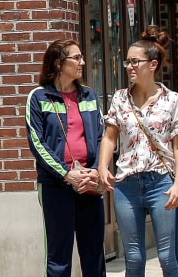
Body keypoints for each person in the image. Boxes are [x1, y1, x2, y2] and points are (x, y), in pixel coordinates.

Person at [97, 26, 178, 277]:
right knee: (134, 258)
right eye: (127, 62)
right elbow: (109, 136)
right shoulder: (120, 98)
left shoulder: (173, 100)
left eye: (135, 62)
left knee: (167, 256)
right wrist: (103, 166)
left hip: (161, 183)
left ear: (153, 64)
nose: (129, 67)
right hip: (126, 184)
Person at [25, 39, 105, 277]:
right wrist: (67, 174)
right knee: (59, 257)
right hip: (56, 187)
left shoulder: (89, 96)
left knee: (94, 255)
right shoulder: (39, 97)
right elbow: (37, 143)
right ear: (59, 63)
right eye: (76, 58)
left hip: (89, 184)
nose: (83, 62)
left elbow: (101, 137)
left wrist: (95, 170)